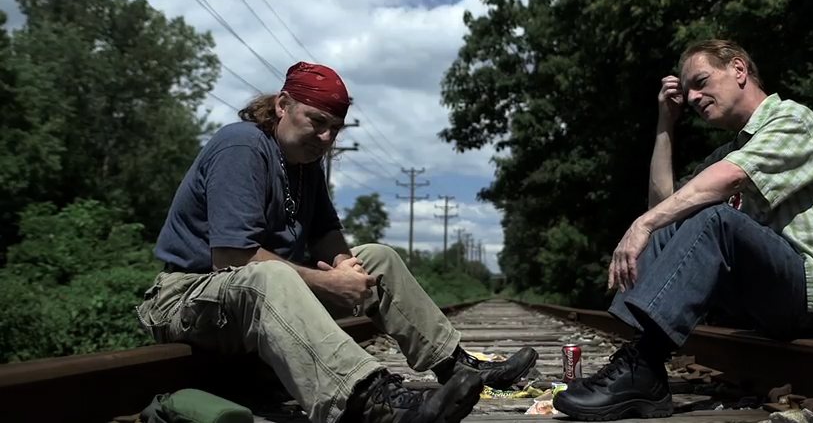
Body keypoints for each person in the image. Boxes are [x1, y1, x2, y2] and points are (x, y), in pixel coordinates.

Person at [135, 61, 538, 423]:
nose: (327, 137)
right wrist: (329, 284)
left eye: (335, 128)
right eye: (317, 121)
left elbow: (326, 233)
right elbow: (233, 257)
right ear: (283, 105)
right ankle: (373, 400)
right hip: (187, 297)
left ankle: (456, 365)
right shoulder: (242, 145)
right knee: (269, 276)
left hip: (252, 298)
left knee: (377, 257)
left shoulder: (306, 165)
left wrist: (347, 268)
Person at [553, 40, 813, 420]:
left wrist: (642, 223)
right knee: (681, 215)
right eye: (687, 93)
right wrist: (665, 123)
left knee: (713, 216)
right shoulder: (733, 149)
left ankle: (644, 364)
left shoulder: (792, 121)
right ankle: (640, 360)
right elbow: (665, 207)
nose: (694, 98)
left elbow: (727, 180)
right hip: (777, 298)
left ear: (738, 69)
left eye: (701, 82)